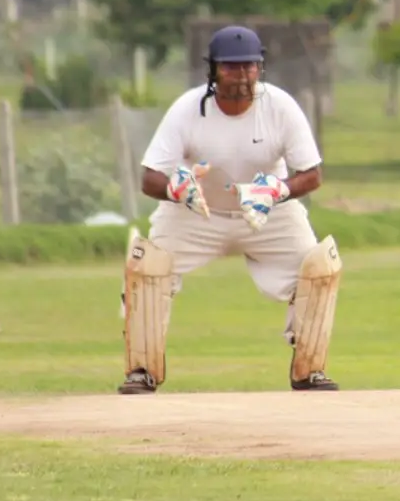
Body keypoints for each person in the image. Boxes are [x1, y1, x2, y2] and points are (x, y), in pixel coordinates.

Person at [121, 24, 345, 395]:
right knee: (148, 269)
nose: (241, 76)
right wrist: (179, 189)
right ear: (213, 70)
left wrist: (278, 190)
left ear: (260, 68)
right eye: (231, 67)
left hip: (265, 212)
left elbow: (313, 175)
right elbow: (149, 179)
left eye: (249, 67)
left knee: (318, 268)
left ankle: (309, 369)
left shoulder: (280, 106)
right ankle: (141, 371)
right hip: (196, 212)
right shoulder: (187, 110)